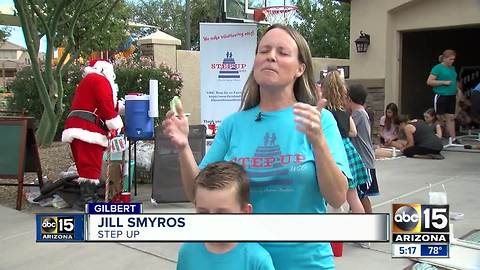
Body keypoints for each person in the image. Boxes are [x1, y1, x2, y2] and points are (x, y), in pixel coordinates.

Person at [163, 24, 350, 269]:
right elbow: (196, 194)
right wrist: (183, 147)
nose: (271, 56)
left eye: (282, 52)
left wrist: (318, 141)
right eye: (264, 50)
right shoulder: (233, 124)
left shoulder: (319, 120)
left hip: (307, 262)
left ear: (299, 69)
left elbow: (337, 196)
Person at [177, 161, 275, 270]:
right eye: (203, 213)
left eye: (221, 214)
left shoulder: (257, 260)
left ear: (245, 212)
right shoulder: (187, 252)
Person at [62, 60, 124, 208]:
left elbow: (95, 103)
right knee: (90, 165)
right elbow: (105, 105)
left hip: (76, 125)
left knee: (84, 166)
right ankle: (87, 200)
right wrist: (115, 124)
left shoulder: (88, 80)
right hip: (88, 128)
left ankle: (88, 196)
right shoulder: (100, 80)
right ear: (106, 69)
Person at [320, 70, 367, 214]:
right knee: (353, 196)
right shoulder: (344, 112)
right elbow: (354, 132)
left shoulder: (323, 111)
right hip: (347, 150)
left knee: (329, 197)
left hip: (331, 151)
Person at [345, 84, 378, 215]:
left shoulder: (358, 114)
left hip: (363, 162)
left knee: (361, 195)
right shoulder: (360, 113)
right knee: (359, 195)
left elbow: (345, 129)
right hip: (364, 160)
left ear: (349, 98)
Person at [426, 49, 458, 142]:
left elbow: (454, 80)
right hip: (441, 95)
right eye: (450, 59)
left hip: (451, 95)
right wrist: (443, 82)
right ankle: (438, 135)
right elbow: (429, 81)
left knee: (451, 117)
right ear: (444, 58)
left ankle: (453, 138)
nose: (452, 61)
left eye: (453, 59)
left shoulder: (452, 68)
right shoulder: (437, 68)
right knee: (440, 117)